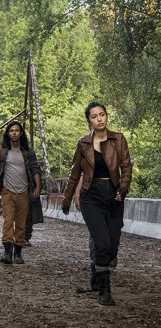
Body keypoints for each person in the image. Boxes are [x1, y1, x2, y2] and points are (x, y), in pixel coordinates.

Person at [61, 102, 132, 306]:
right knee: (102, 243)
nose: (99, 119)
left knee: (112, 246)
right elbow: (75, 173)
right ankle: (104, 289)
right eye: (94, 116)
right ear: (89, 120)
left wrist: (123, 188)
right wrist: (67, 198)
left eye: (102, 114)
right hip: (91, 196)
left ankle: (96, 268)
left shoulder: (119, 139)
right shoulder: (83, 143)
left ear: (106, 116)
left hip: (114, 195)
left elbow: (126, 167)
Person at [0, 121, 42, 265]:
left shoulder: (28, 152)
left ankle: (18, 254)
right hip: (7, 191)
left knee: (21, 223)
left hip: (24, 191)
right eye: (11, 130)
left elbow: (35, 169)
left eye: (17, 130)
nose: (14, 133)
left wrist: (38, 186)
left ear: (21, 133)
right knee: (8, 221)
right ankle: (7, 253)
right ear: (8, 133)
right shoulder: (2, 152)